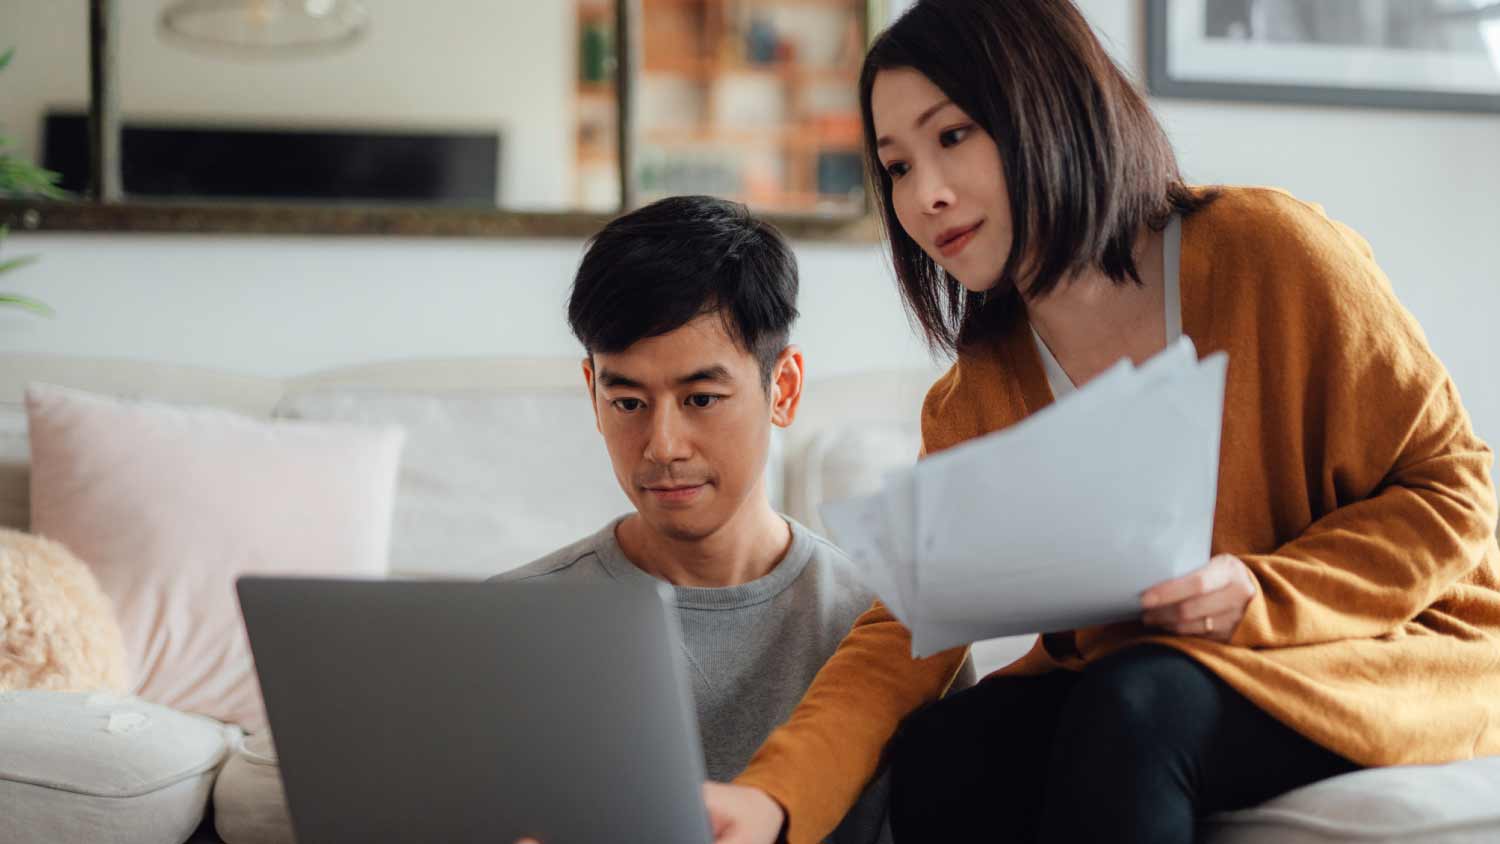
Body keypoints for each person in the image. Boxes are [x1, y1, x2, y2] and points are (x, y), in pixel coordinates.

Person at [703, 2, 1500, 843]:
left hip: (1382, 650)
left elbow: (1454, 491)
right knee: (945, 748)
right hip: (1163, 673)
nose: (924, 195)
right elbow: (910, 628)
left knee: (1137, 705)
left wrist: (1263, 593)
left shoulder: (1274, 253)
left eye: (954, 136)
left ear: (1048, 106)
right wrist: (772, 798)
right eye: (895, 166)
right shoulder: (975, 396)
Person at [497, 194, 972, 844]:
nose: (663, 445)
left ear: (783, 389)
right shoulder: (509, 623)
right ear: (591, 392)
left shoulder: (891, 629)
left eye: (701, 398)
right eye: (628, 401)